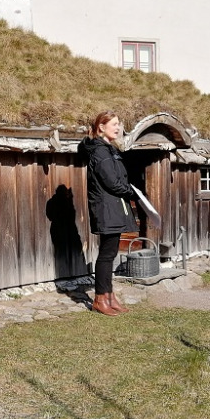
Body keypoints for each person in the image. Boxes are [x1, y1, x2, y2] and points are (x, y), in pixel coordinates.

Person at [78, 112, 138, 316]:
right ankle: (100, 299)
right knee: (106, 255)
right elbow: (112, 182)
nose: (118, 127)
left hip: (113, 207)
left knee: (110, 253)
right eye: (114, 124)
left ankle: (110, 296)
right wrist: (132, 192)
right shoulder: (101, 152)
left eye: (119, 124)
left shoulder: (109, 150)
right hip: (107, 208)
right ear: (101, 127)